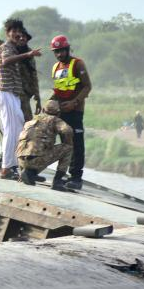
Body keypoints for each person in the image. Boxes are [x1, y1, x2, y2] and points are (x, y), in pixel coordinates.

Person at [0, 18, 40, 180]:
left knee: (18, 128)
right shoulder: (6, 47)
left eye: (19, 31)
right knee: (11, 130)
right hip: (5, 91)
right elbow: (6, 61)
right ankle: (5, 168)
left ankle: (12, 165)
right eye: (13, 31)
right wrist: (28, 54)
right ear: (7, 33)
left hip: (12, 93)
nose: (16, 34)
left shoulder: (14, 48)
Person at [50, 35, 93, 189]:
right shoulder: (55, 67)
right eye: (56, 51)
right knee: (65, 144)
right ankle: (64, 174)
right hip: (61, 112)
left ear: (67, 49)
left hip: (75, 111)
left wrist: (74, 102)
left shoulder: (77, 64)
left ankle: (76, 177)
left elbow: (87, 86)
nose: (59, 54)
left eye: (62, 50)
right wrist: (49, 103)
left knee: (77, 144)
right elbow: (58, 89)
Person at [17, 99, 74, 190]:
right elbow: (67, 130)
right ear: (58, 113)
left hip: (20, 159)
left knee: (32, 147)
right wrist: (67, 141)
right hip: (37, 160)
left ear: (43, 110)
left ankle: (29, 173)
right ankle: (57, 181)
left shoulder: (34, 119)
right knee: (68, 148)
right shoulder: (55, 119)